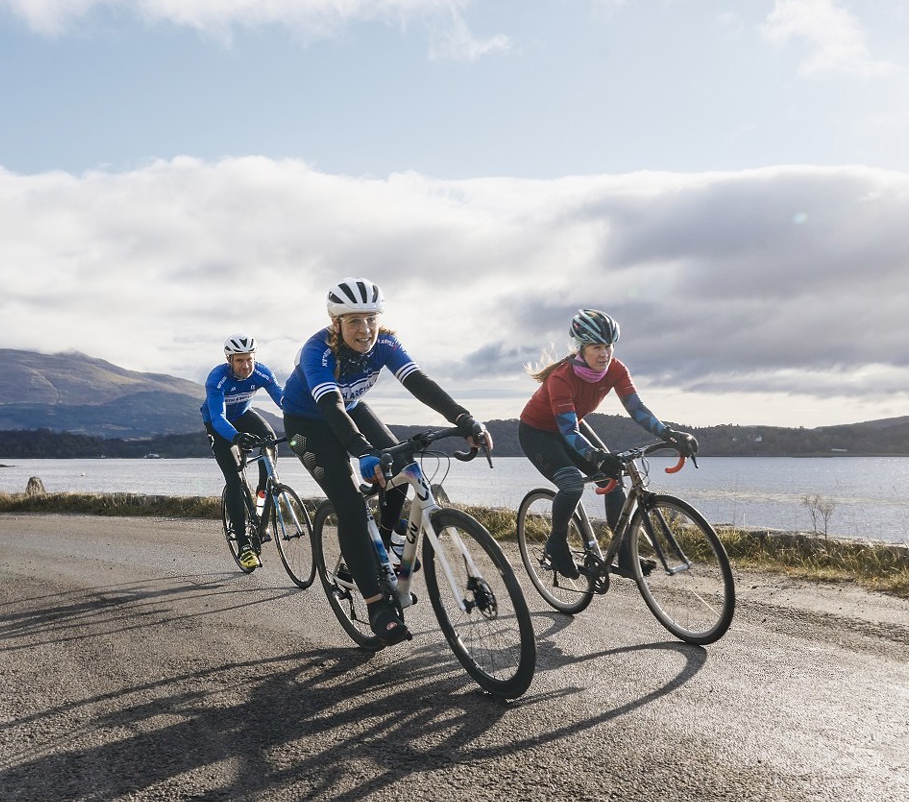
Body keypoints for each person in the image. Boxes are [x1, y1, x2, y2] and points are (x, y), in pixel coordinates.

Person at [282, 276, 491, 645]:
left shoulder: (387, 344)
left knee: (399, 464)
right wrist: (362, 451)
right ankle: (377, 605)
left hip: (352, 409)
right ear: (337, 324)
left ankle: (382, 545)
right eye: (353, 322)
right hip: (306, 424)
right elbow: (330, 406)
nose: (364, 330)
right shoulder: (318, 352)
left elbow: (420, 383)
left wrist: (465, 420)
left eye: (370, 320)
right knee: (348, 504)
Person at [518, 308, 696, 579]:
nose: (605, 354)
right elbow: (567, 431)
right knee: (572, 483)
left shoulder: (616, 369)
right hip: (538, 433)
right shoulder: (561, 379)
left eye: (609, 346)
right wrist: (597, 456)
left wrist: (668, 434)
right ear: (582, 348)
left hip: (572, 427)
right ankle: (556, 543)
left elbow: (636, 408)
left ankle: (625, 554)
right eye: (596, 347)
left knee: (614, 479)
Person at [204, 334, 283, 571]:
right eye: (239, 361)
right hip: (219, 426)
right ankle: (243, 545)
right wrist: (236, 437)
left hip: (245, 416)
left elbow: (283, 400)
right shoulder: (217, 379)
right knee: (235, 481)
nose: (246, 366)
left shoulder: (262, 373)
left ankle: (262, 506)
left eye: (249, 359)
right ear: (230, 360)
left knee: (270, 442)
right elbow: (218, 417)